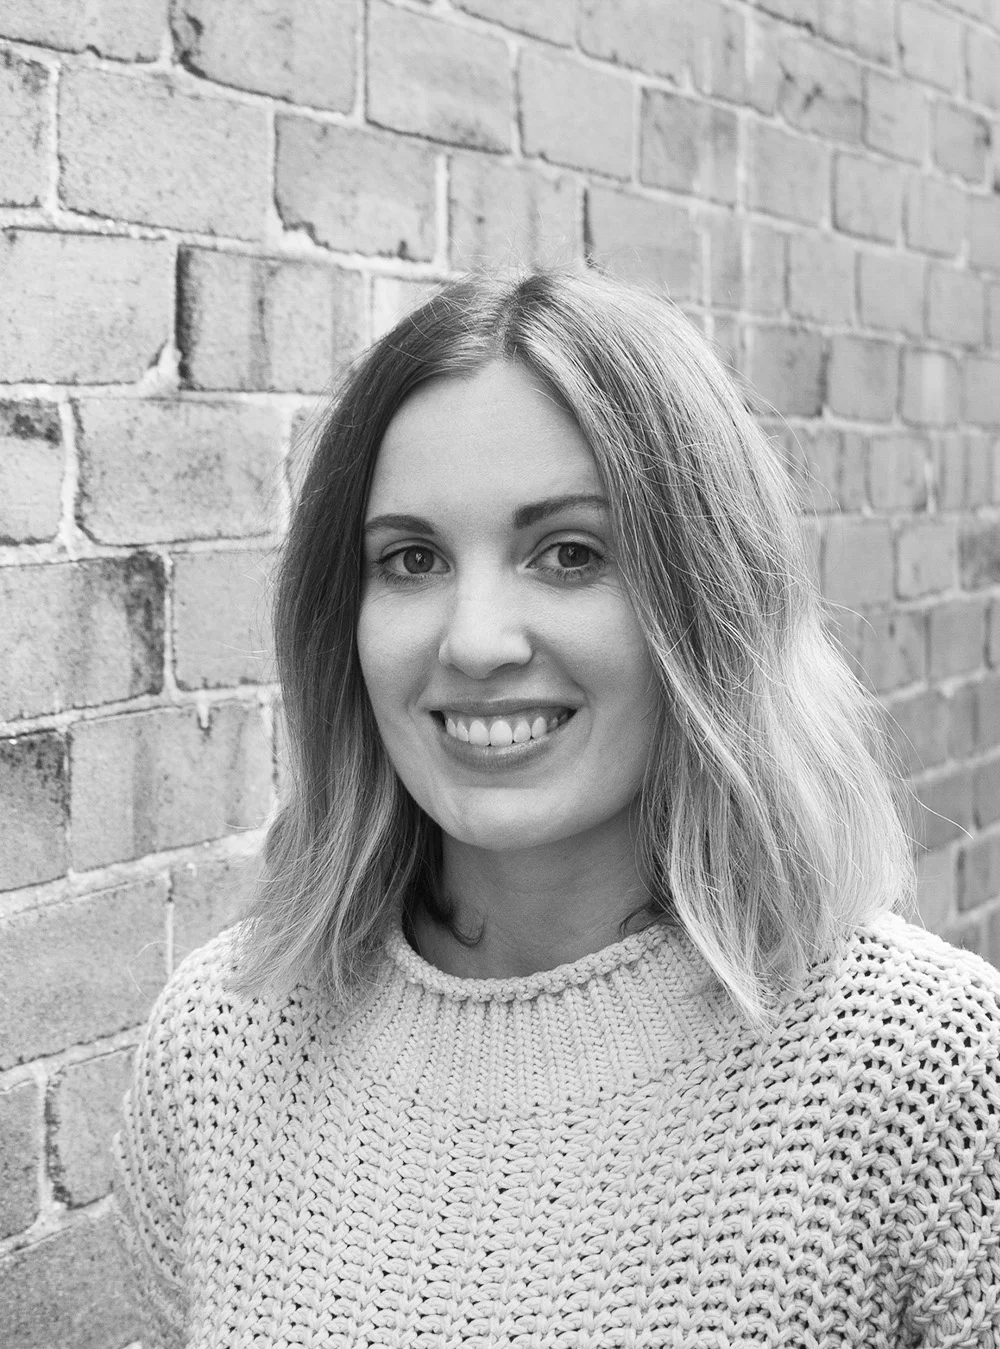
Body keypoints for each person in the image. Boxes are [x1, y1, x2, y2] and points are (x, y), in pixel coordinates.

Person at [112, 267, 1000, 1348]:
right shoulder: (221, 1044)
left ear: (707, 594)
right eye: (411, 558)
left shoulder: (927, 1075)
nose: (475, 639)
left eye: (569, 552)